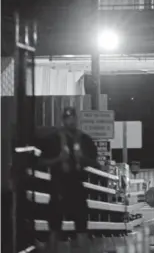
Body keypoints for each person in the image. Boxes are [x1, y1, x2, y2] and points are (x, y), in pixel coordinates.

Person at [38, 107, 100, 253]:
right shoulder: (52, 139)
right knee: (54, 224)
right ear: (63, 120)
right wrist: (58, 159)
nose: (70, 121)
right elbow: (40, 161)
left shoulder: (84, 139)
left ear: (76, 119)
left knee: (81, 224)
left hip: (77, 185)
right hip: (58, 186)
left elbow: (96, 164)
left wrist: (82, 158)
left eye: (72, 117)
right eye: (67, 118)